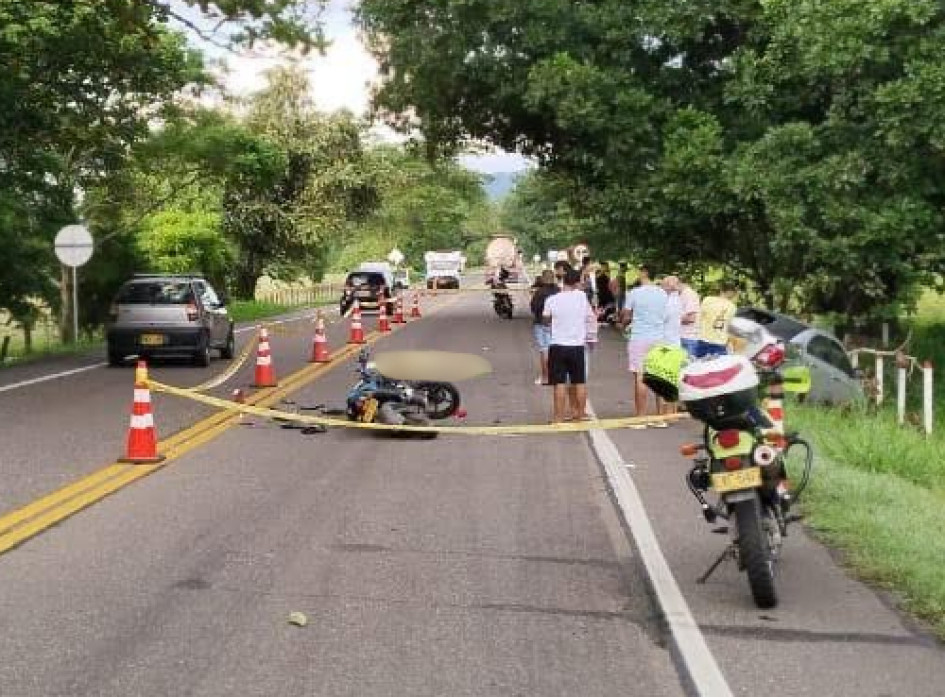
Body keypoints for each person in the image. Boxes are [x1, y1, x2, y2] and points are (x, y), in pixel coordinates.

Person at [619, 268, 668, 426]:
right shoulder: (662, 293)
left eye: (640, 272)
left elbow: (626, 315)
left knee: (640, 377)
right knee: (659, 377)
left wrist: (623, 323)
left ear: (645, 273)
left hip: (640, 337)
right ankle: (660, 418)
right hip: (659, 338)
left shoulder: (634, 293)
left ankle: (640, 418)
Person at [543, 269, 591, 423]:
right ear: (577, 283)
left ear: (563, 281)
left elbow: (545, 319)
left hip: (558, 345)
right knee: (580, 381)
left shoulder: (552, 300)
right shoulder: (582, 297)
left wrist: (552, 321)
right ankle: (580, 414)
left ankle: (558, 418)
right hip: (577, 345)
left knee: (559, 383)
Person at [530, 270, 559, 385]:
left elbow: (533, 308)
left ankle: (545, 377)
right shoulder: (559, 291)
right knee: (555, 350)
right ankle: (556, 376)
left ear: (542, 279)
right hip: (556, 324)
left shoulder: (539, 292)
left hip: (541, 323)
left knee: (544, 350)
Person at [697, 280, 739, 358]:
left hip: (703, 339)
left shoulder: (707, 300)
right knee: (717, 368)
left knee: (700, 367)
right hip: (719, 342)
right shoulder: (732, 307)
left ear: (721, 290)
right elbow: (729, 327)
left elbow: (698, 318)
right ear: (732, 292)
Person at [678, 279, 701, 357]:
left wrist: (673, 319)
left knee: (688, 367)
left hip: (689, 338)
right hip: (683, 337)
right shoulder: (682, 294)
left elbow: (691, 318)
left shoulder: (689, 294)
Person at [661, 276, 682, 347]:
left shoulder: (670, 301)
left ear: (668, 287)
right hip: (674, 340)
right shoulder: (677, 299)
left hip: (667, 342)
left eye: (663, 285)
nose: (661, 288)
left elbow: (662, 318)